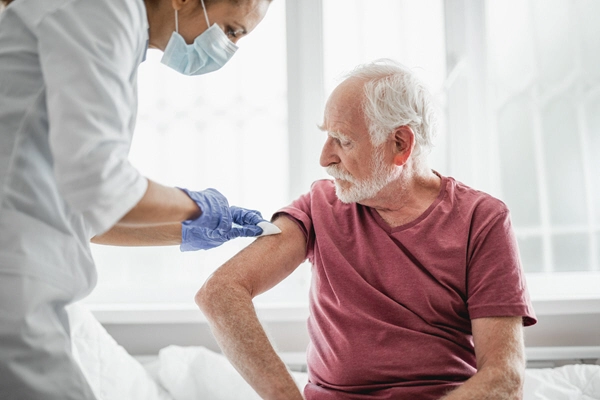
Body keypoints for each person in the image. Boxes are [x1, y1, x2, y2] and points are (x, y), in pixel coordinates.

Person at [196, 59, 538, 400]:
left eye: (342, 141)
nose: (325, 158)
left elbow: (504, 378)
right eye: (327, 137)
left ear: (401, 144)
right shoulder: (319, 206)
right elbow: (221, 293)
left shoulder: (483, 219)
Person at [0, 0, 272, 398]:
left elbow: (83, 210)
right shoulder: (102, 10)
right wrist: (197, 208)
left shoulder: (117, 30)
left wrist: (186, 229)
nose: (227, 50)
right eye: (231, 31)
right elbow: (100, 184)